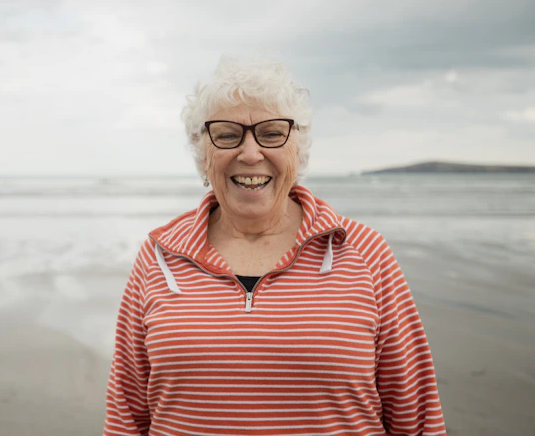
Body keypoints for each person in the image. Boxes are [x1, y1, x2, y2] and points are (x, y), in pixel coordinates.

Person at [103, 56, 446, 435]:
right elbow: (126, 416)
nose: (250, 154)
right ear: (203, 152)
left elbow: (416, 417)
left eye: (270, 134)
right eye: (228, 135)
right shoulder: (159, 256)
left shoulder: (364, 252)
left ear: (297, 148)